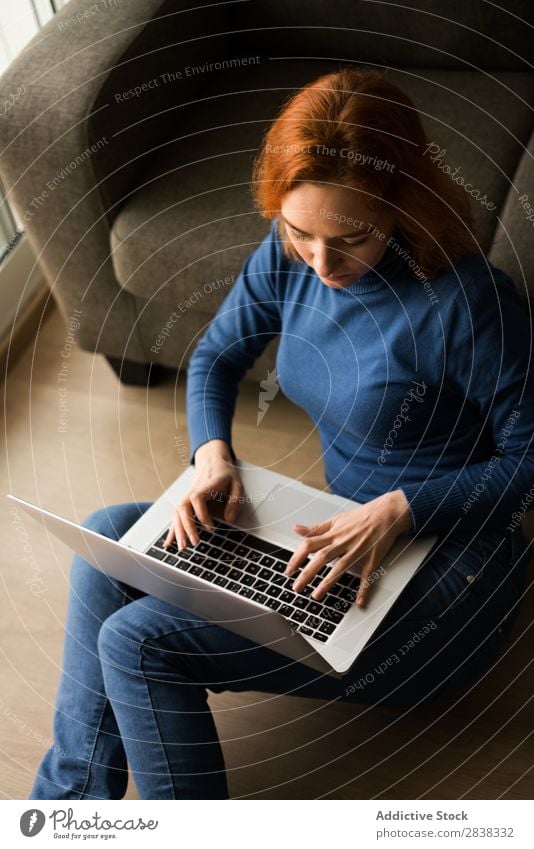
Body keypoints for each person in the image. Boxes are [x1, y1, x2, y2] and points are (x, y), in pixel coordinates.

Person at [30, 68, 533, 800]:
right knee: (107, 539)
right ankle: (68, 811)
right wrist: (211, 456)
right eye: (301, 233)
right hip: (339, 539)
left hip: (453, 578)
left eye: (351, 237)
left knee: (136, 642)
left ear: (402, 202)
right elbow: (216, 356)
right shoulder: (291, 250)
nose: (322, 264)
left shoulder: (470, 301)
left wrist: (401, 508)